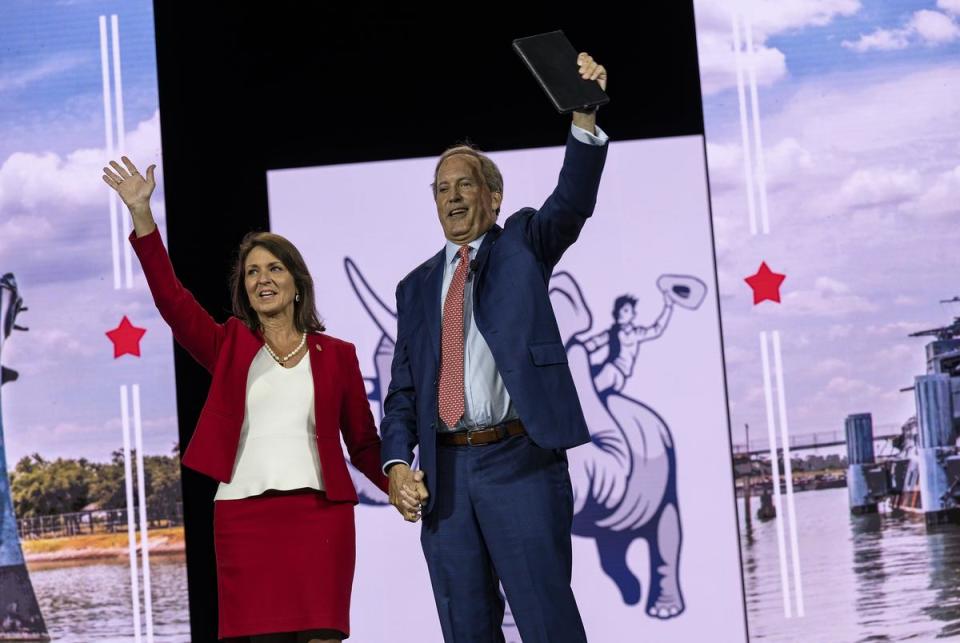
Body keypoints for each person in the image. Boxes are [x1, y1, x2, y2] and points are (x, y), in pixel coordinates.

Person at [102, 158, 388, 642]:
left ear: (297, 282)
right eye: (252, 272)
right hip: (244, 520)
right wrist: (142, 217)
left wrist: (398, 482)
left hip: (321, 520)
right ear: (245, 288)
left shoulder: (338, 355)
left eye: (274, 268)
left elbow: (362, 445)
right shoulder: (230, 345)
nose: (262, 278)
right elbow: (172, 301)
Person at [380, 53, 609, 642]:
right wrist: (397, 463)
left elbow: (572, 201)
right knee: (466, 629)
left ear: (494, 195)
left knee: (547, 622)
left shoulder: (525, 244)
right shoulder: (415, 287)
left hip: (520, 463)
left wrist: (583, 116)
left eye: (464, 186)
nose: (452, 199)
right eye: (441, 190)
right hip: (446, 476)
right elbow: (404, 390)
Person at [583, 291, 674, 395]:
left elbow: (657, 329)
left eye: (626, 310)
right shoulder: (611, 333)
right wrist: (577, 350)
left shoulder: (636, 333)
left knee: (590, 389)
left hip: (616, 373)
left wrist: (668, 307)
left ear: (633, 315)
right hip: (608, 370)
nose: (621, 313)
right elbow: (593, 343)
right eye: (619, 309)